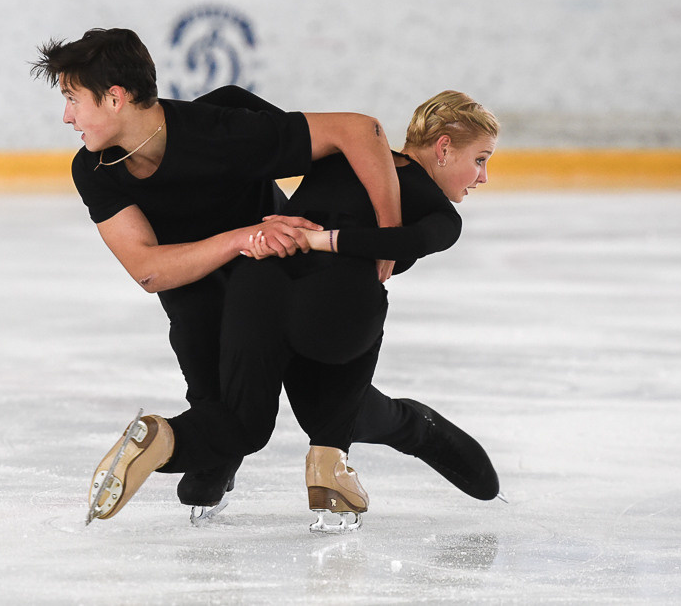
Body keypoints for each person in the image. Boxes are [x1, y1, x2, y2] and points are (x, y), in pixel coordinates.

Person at [86, 88, 502, 530]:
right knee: (364, 320)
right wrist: (327, 241)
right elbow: (410, 242)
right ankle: (330, 460)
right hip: (333, 305)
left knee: (243, 425)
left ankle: (162, 438)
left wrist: (179, 131)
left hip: (256, 282)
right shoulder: (442, 215)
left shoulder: (335, 156)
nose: (483, 177)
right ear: (442, 148)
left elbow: (233, 100)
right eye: (480, 159)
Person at [31, 27, 404, 518]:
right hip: (198, 304)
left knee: (267, 421)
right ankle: (196, 452)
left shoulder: (222, 129)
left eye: (73, 99)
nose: (67, 116)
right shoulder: (95, 167)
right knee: (222, 441)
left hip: (276, 292)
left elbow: (361, 131)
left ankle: (185, 444)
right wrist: (241, 237)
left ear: (116, 98)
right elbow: (147, 270)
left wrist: (388, 239)